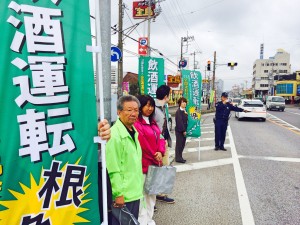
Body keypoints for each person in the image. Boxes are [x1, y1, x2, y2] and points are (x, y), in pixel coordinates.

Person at [106, 95, 144, 224]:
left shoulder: (133, 131)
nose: (133, 113)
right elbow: (113, 168)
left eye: (136, 110)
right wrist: (118, 194)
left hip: (134, 191)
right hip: (124, 195)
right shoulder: (115, 136)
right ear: (119, 112)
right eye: (129, 110)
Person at [134, 95, 166, 225]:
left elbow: (161, 138)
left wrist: (161, 152)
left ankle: (149, 218)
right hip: (143, 165)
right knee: (142, 195)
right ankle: (142, 220)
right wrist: (155, 154)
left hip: (154, 164)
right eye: (147, 105)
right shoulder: (137, 123)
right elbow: (142, 143)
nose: (150, 108)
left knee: (152, 194)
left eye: (151, 105)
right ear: (140, 106)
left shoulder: (153, 123)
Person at [153, 85, 175, 204]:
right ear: (166, 96)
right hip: (155, 144)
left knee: (164, 168)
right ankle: (152, 197)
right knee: (154, 170)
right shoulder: (153, 108)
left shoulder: (163, 107)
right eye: (169, 95)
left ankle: (161, 194)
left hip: (163, 142)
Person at [175, 97, 188, 163]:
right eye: (182, 102)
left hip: (184, 131)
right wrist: (183, 131)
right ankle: (178, 158)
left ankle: (180, 157)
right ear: (180, 103)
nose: (184, 103)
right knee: (179, 144)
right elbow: (179, 122)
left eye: (185, 102)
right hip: (180, 131)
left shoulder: (185, 111)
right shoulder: (178, 112)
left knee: (182, 144)